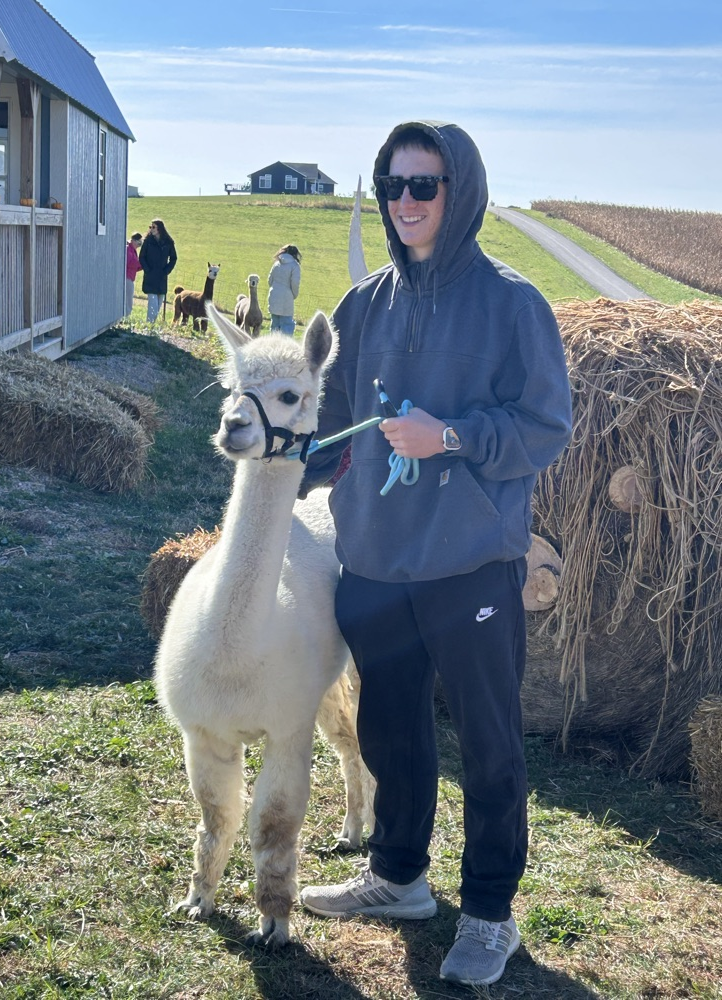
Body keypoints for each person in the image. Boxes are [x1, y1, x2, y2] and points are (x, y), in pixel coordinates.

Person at [297, 121, 572, 987]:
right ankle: (399, 877)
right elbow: (329, 420)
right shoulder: (362, 306)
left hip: (471, 566)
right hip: (375, 563)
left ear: (461, 193)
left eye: (425, 185)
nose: (406, 202)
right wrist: (274, 456)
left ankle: (491, 912)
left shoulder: (512, 304)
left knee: (489, 745)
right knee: (390, 730)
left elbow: (545, 428)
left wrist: (449, 435)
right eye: (393, 185)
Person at [139, 219, 177, 323]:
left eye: (153, 227)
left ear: (160, 229)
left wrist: (166, 271)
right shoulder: (147, 242)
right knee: (153, 304)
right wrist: (147, 270)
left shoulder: (168, 243)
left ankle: (151, 326)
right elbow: (142, 257)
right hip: (150, 277)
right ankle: (149, 327)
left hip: (162, 278)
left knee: (159, 304)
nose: (151, 229)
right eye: (150, 227)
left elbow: (173, 258)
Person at [267, 243, 301, 335]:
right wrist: (293, 295)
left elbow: (270, 280)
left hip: (273, 295)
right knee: (286, 326)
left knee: (275, 325)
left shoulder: (276, 264)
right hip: (287, 298)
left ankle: (272, 346)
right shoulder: (295, 266)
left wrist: (275, 289)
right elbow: (295, 283)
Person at [124, 232, 143, 318]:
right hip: (126, 278)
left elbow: (134, 266)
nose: (140, 243)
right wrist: (140, 263)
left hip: (130, 277)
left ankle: (126, 316)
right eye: (139, 241)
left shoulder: (133, 250)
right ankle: (126, 317)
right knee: (128, 300)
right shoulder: (128, 249)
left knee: (128, 298)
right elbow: (128, 263)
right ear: (133, 241)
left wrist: (142, 266)